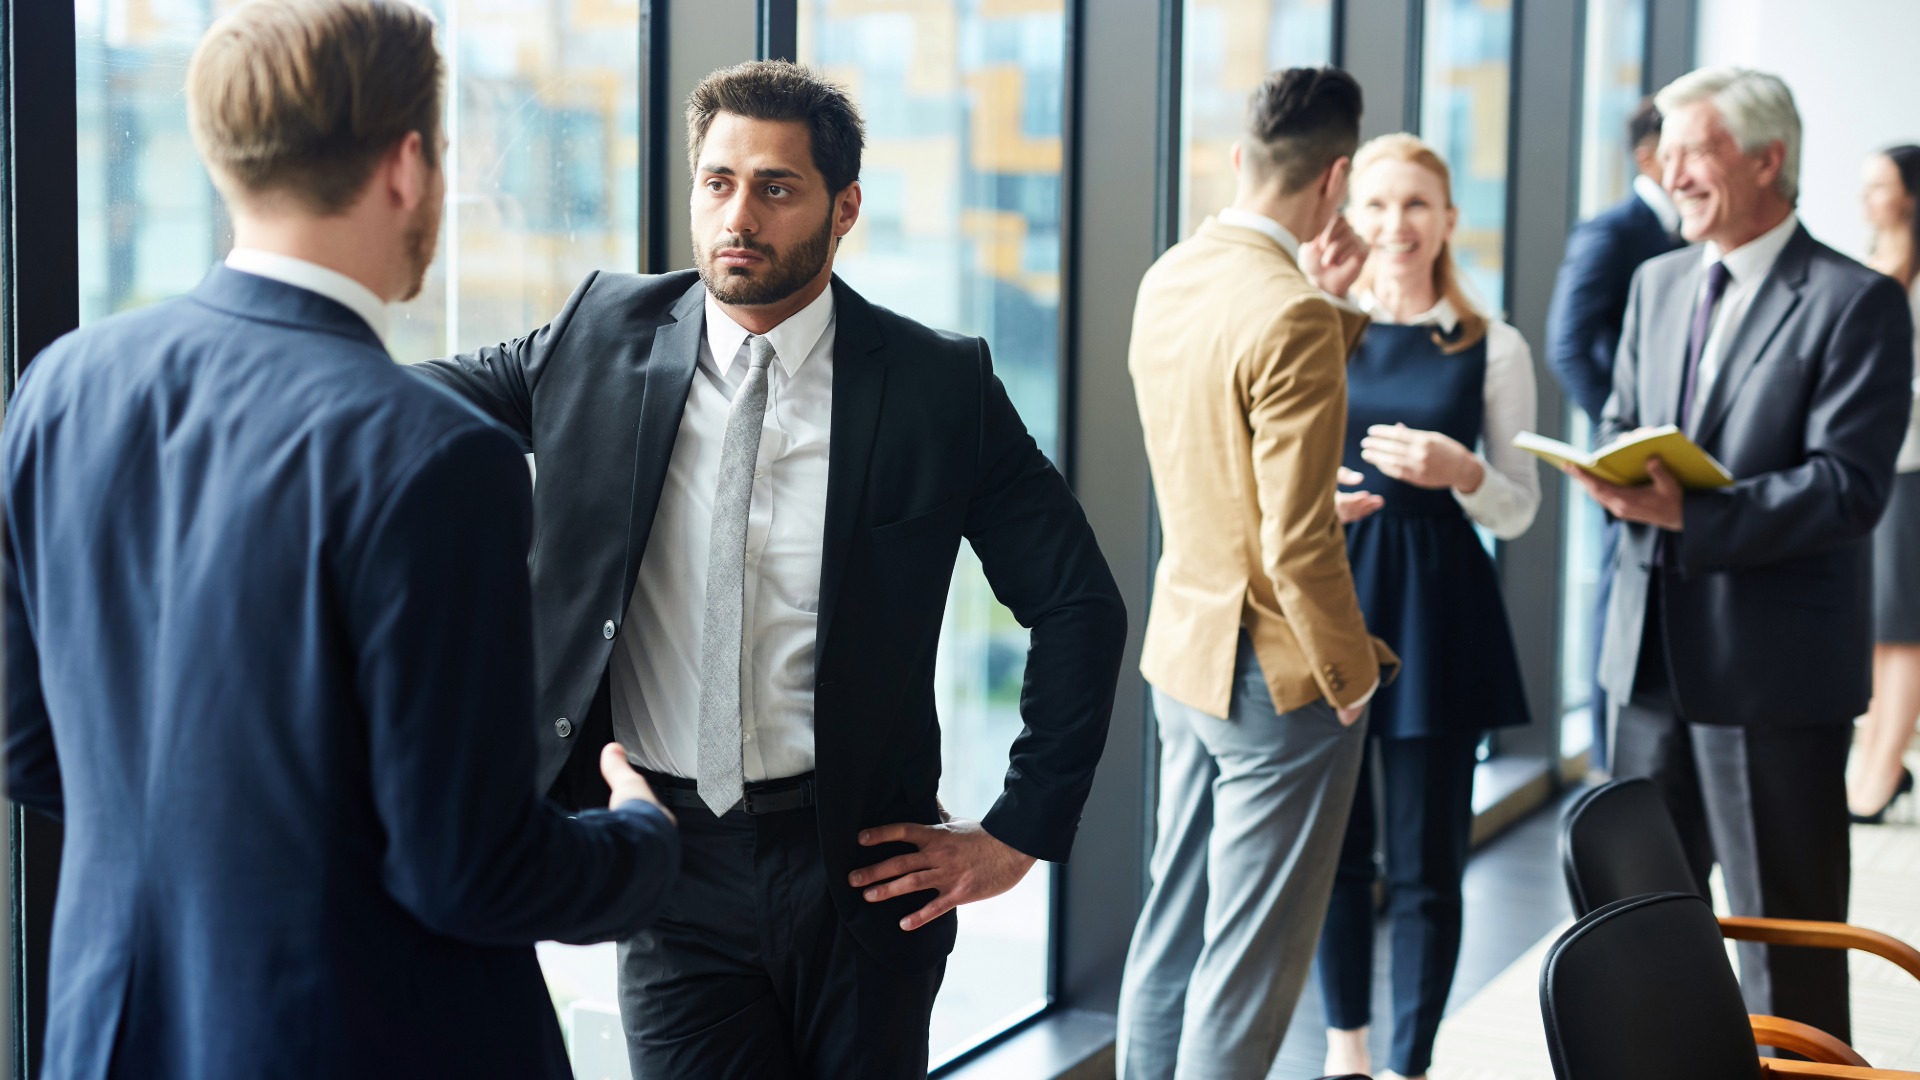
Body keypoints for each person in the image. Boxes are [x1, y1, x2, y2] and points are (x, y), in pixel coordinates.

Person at [1, 2, 683, 1077]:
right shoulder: (437, 456)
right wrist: (640, 841)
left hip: (116, 1037)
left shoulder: (61, 388)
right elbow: (468, 872)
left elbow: (29, 747)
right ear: (407, 166)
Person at [413, 58, 1127, 1078]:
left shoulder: (934, 385)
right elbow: (404, 401)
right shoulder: (596, 338)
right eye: (717, 182)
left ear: (845, 211)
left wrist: (1019, 830)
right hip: (666, 859)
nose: (737, 215)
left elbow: (1078, 605)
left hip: (865, 865)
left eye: (775, 188)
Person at [1570, 67, 1913, 1045]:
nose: (1668, 171)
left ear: (1767, 159)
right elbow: (1627, 419)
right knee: (1636, 938)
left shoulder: (1856, 304)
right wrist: (1610, 471)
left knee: (1785, 952)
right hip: (1643, 668)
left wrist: (1692, 516)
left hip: (1772, 680)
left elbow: (1850, 487)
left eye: (1693, 151)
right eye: (1663, 151)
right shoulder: (1655, 281)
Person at [1116, 66, 1398, 1080]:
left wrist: (1332, 306)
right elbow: (1299, 542)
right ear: (1336, 182)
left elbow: (1226, 452)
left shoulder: (1175, 274)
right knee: (1247, 970)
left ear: (1242, 160)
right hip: (1274, 679)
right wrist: (1351, 674)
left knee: (1174, 933)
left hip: (1184, 653)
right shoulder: (1292, 315)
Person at [1316, 133, 1539, 1080]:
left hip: (1438, 609)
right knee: (1335, 852)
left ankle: (1410, 1062)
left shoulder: (1492, 344)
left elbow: (1520, 507)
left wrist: (1465, 471)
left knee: (1426, 867)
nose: (1395, 225)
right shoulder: (1323, 320)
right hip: (1332, 592)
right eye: (1377, 205)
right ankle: (1347, 1051)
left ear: (1449, 219)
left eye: (1416, 205)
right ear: (1350, 217)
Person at [1545, 98, 1685, 773]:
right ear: (1648, 156)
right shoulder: (1612, 231)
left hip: (1677, 471)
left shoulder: (1693, 237)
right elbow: (1569, 346)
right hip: (1630, 463)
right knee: (1618, 608)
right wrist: (1619, 443)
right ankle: (1610, 763)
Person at [1850, 144, 1920, 823]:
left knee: (1904, 632)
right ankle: (1875, 764)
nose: (1868, 196)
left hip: (1915, 471)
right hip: (1869, 465)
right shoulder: (1865, 266)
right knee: (1877, 628)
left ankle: (1882, 770)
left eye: (1881, 185)